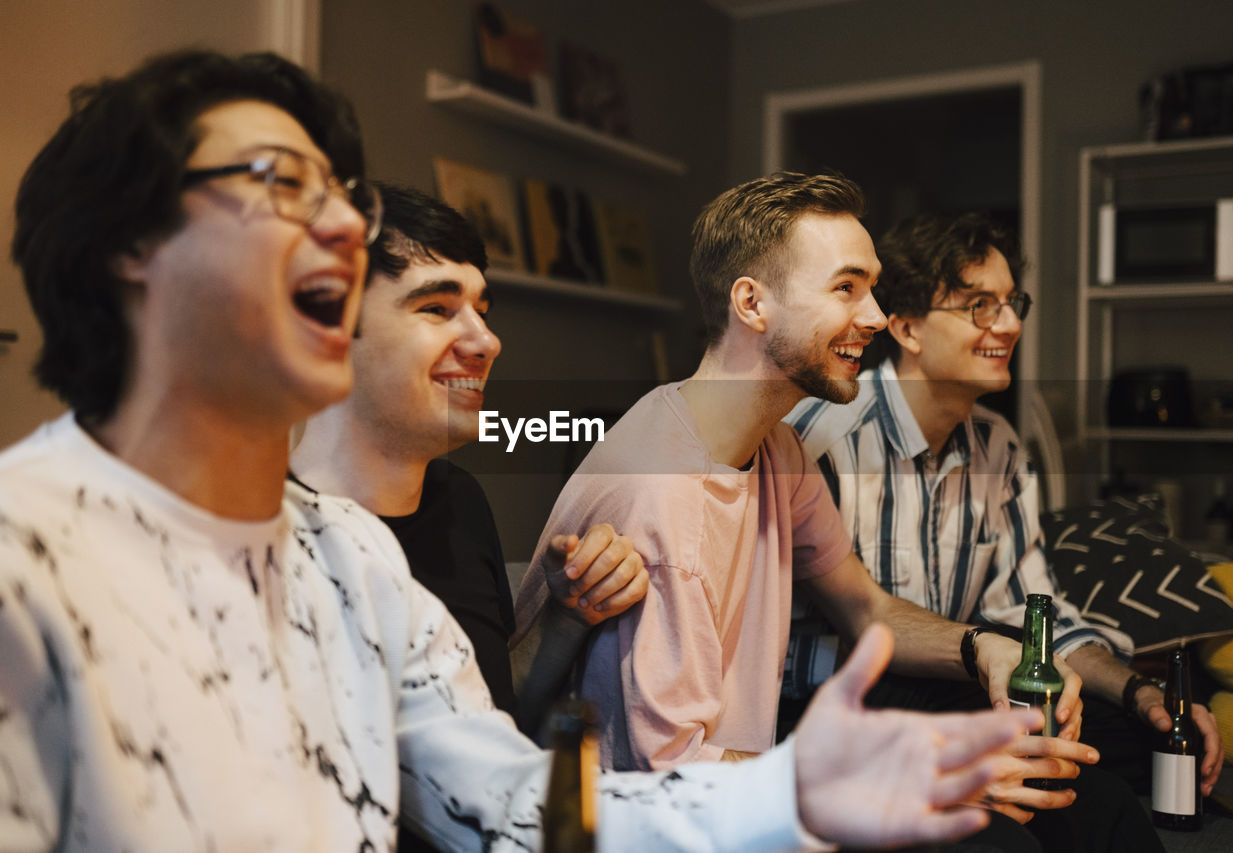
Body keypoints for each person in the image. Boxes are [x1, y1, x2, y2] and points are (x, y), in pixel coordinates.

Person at [0, 49, 1039, 852]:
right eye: (280, 182)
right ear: (129, 248)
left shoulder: (353, 560)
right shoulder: (24, 555)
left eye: (341, 197)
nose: (336, 227)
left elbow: (504, 800)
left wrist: (789, 791)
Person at [514, 174, 1089, 784]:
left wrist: (984, 647)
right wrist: (906, 782)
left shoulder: (774, 446)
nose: (874, 316)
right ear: (752, 304)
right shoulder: (664, 503)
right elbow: (670, 778)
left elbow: (863, 608)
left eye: (872, 289)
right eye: (846, 288)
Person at [786, 212, 1215, 846]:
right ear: (905, 327)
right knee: (1029, 811)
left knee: (1129, 740)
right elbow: (779, 649)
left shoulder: (998, 446)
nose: (1010, 324)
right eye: (979, 306)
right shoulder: (823, 438)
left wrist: (1139, 694)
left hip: (965, 680)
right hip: (842, 704)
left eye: (1012, 302)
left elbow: (1032, 610)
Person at [291, 182, 646, 734]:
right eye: (437, 307)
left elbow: (490, 728)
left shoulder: (461, 501)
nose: (486, 341)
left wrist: (567, 616)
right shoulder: (268, 535)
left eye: (481, 310)